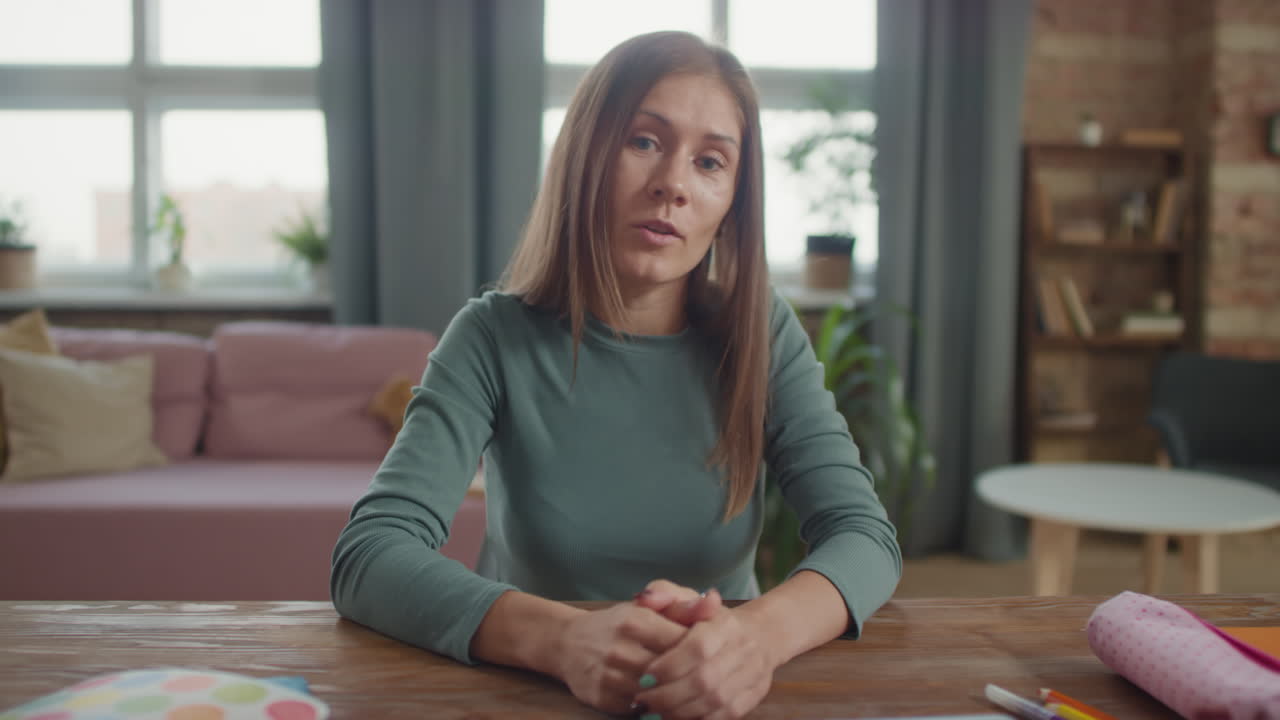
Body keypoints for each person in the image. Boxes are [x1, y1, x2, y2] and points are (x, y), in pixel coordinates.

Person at [331, 30, 901, 720]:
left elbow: (864, 537)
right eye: (644, 141)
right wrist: (564, 639)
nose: (674, 185)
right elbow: (370, 554)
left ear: (730, 206)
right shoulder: (491, 335)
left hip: (720, 697)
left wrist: (753, 640)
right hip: (530, 690)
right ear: (585, 158)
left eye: (711, 162)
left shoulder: (760, 333)